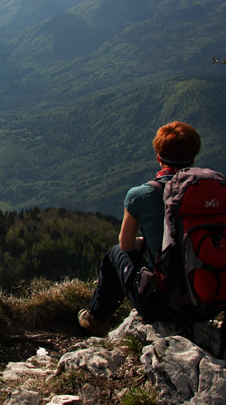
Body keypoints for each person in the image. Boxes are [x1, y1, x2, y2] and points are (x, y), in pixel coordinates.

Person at [78, 121, 202, 336]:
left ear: (158, 157)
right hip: (210, 299)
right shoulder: (211, 190)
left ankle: (96, 319)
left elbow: (126, 244)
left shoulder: (141, 195)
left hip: (163, 306)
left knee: (115, 254)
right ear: (193, 158)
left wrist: (147, 242)